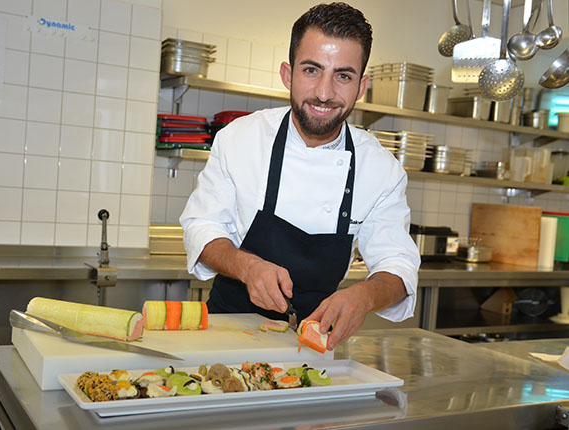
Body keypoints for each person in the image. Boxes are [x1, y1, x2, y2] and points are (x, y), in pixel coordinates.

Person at [180, 2, 420, 351]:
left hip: (315, 345)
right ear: (287, 74)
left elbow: (397, 263)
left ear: (361, 86)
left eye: (343, 75)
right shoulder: (240, 138)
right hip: (226, 333)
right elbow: (202, 227)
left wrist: (365, 296)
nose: (324, 93)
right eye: (311, 70)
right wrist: (246, 266)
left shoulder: (381, 169)